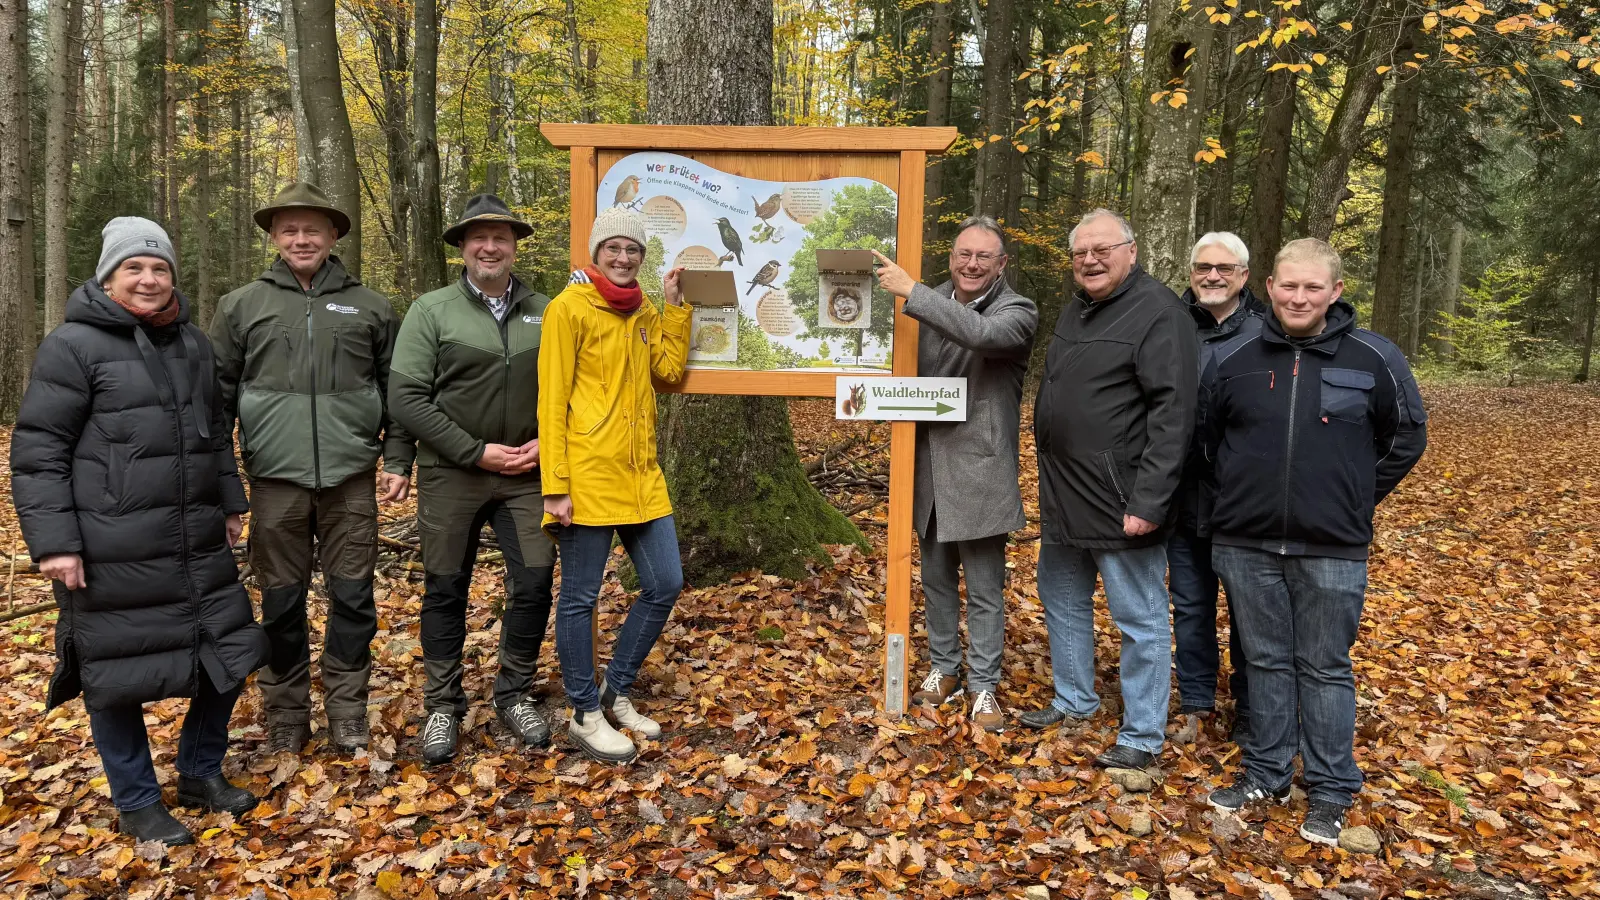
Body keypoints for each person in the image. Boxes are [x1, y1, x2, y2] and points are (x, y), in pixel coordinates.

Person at [11, 218, 269, 845]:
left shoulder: (195, 344)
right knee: (114, 672)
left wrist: (231, 503)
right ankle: (136, 801)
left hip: (195, 537)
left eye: (160, 268)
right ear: (108, 277)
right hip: (109, 544)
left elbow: (214, 435)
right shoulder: (71, 346)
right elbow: (39, 451)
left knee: (228, 656)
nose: (149, 279)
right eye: (134, 268)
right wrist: (56, 543)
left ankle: (200, 773)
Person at [1203, 238, 1426, 846]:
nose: (1299, 297)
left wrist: (1353, 496)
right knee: (1265, 660)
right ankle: (1267, 772)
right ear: (1269, 287)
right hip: (1246, 544)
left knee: (1325, 667)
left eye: (1312, 287)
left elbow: (1405, 436)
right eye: (1288, 285)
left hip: (1332, 546)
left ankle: (1330, 789)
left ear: (1335, 291)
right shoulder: (1237, 355)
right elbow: (1209, 439)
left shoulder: (1375, 358)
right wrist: (1242, 499)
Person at [210, 182, 414, 756]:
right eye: (290, 230)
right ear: (274, 237)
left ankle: (348, 710)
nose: (302, 239)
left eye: (313, 230)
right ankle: (287, 714)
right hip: (275, 481)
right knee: (280, 601)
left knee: (353, 598)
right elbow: (215, 403)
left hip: (351, 480)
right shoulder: (241, 306)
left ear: (333, 237)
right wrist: (227, 485)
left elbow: (398, 391)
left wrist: (397, 458)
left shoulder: (370, 306)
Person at [1024, 208, 1198, 771]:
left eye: (1103, 250)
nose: (1091, 261)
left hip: (1121, 498)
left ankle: (1143, 735)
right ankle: (1075, 699)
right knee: (1063, 599)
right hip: (1064, 491)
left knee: (1139, 619)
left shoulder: (1159, 312)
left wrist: (1149, 501)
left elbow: (1174, 414)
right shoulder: (1080, 308)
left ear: (1132, 250)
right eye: (1081, 253)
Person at [388, 194, 555, 766]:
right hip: (451, 472)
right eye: (478, 238)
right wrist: (474, 451)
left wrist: (549, 444)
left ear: (514, 246)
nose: (490, 247)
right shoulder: (431, 311)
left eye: (501, 237)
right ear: (462, 246)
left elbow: (575, 388)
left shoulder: (548, 310)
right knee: (444, 584)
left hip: (530, 474)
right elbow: (405, 397)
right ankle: (442, 703)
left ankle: (514, 692)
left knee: (534, 582)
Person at [870, 216, 1037, 733]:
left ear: (1001, 264)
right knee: (937, 581)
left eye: (984, 257)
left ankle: (984, 685)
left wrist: (912, 290)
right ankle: (945, 667)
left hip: (980, 469)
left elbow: (982, 334)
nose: (971, 264)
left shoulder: (1018, 310)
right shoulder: (928, 299)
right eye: (964, 254)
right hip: (926, 466)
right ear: (952, 257)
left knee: (985, 588)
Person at [540, 207, 689, 765]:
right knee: (579, 598)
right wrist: (555, 484)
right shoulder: (569, 308)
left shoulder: (644, 310)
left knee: (665, 583)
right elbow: (551, 401)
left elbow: (669, 372)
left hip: (641, 474)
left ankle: (614, 690)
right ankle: (584, 712)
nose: (623, 258)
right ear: (596, 252)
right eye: (613, 248)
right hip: (587, 476)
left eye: (633, 250)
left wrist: (676, 309)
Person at [1168, 232, 1264, 744]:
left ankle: (1250, 708)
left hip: (1244, 504)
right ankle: (1197, 703)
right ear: (1191, 272)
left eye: (1224, 268)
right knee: (1191, 607)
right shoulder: (1170, 326)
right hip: (1182, 499)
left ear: (1244, 276)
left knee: (1248, 613)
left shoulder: (1266, 332)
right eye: (1203, 267)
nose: (1212, 276)